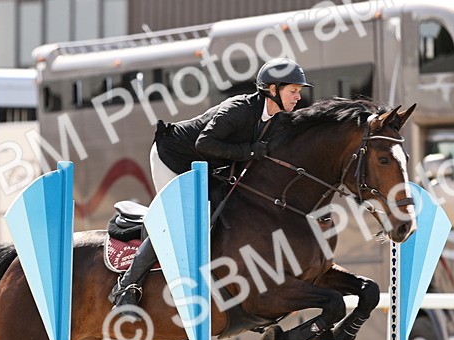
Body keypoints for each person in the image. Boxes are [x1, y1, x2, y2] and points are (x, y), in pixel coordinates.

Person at [109, 57, 311, 308]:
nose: (298, 97)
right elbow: (204, 143)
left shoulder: (273, 119)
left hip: (205, 164)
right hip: (172, 156)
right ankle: (126, 286)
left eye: (298, 92)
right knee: (178, 220)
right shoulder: (238, 109)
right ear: (272, 90)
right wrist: (248, 151)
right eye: (293, 91)